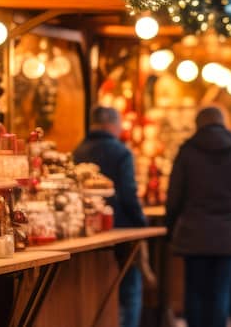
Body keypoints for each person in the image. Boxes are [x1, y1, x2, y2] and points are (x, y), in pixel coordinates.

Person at [165, 106, 231, 327]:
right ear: (224, 124)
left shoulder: (186, 152)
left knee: (194, 293)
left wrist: (170, 227)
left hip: (193, 233)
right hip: (226, 235)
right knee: (220, 294)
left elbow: (174, 196)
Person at [72, 106, 152, 327]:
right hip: (122, 229)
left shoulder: (78, 151)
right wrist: (140, 223)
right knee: (130, 288)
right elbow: (128, 193)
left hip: (87, 232)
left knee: (97, 290)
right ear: (112, 125)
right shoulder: (121, 152)